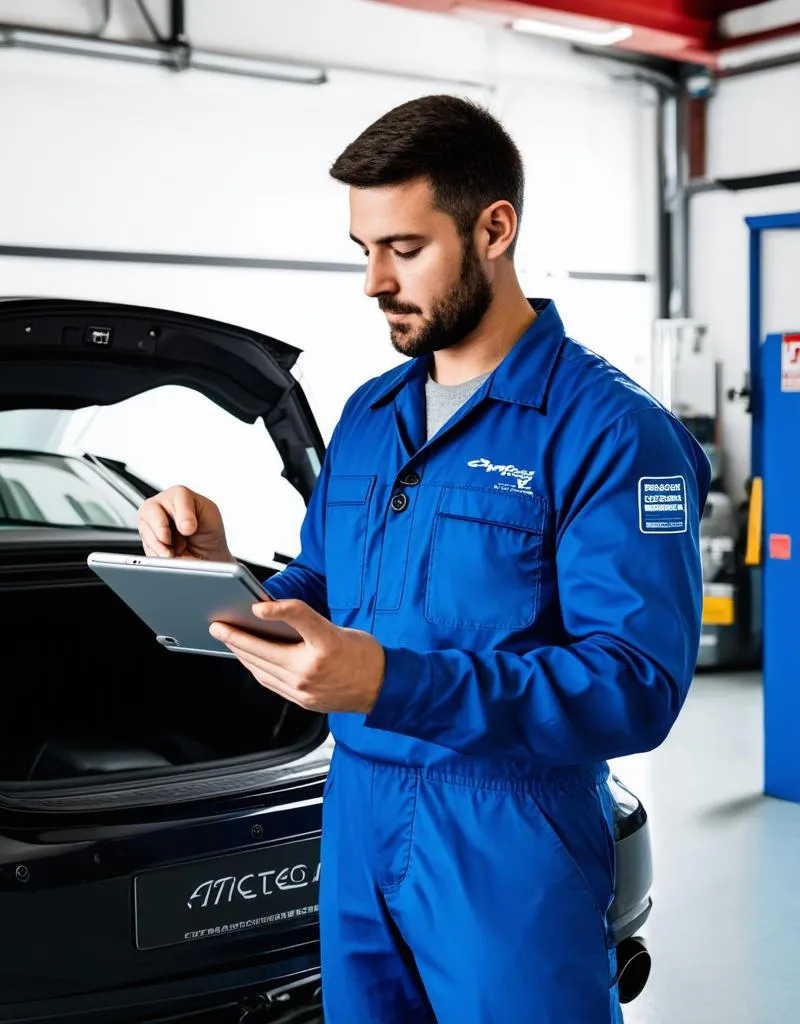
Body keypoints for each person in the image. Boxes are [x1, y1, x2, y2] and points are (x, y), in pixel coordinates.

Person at [137, 95, 711, 1023]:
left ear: (494, 229)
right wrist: (222, 571)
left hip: (510, 833)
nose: (374, 281)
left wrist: (389, 681)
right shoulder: (370, 415)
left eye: (403, 249)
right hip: (360, 817)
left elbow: (634, 685)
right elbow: (322, 587)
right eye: (364, 250)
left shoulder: (611, 431)